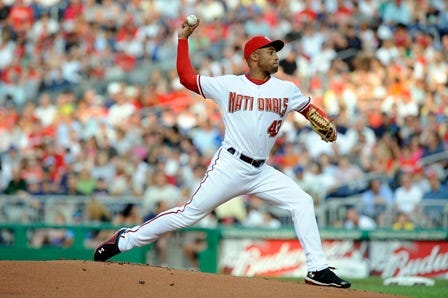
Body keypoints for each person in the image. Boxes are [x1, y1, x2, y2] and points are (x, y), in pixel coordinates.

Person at [94, 17, 350, 289]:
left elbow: (308, 108)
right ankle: (125, 239)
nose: (276, 56)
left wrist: (320, 118)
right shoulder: (229, 84)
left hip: (261, 171)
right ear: (253, 58)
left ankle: (317, 268)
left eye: (276, 52)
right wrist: (183, 39)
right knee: (189, 215)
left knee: (302, 202)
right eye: (270, 52)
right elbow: (186, 79)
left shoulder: (286, 89)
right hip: (230, 164)